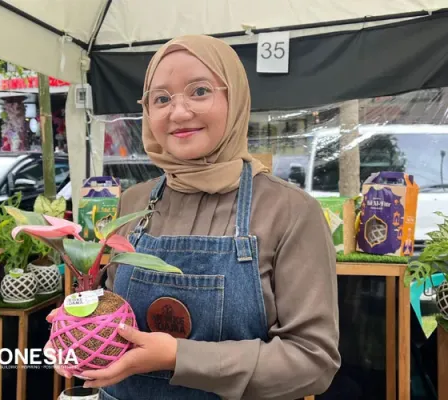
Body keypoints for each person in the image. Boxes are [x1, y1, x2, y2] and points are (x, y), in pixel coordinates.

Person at [48, 34, 340, 400]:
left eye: (199, 91)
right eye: (161, 98)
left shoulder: (290, 211)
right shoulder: (134, 203)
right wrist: (81, 326)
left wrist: (178, 357)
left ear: (235, 98)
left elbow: (313, 361)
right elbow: (115, 313)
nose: (179, 112)